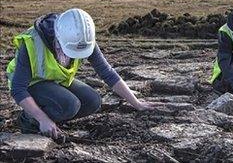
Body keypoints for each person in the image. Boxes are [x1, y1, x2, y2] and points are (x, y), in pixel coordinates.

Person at [6, 8, 159, 139]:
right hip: (31, 83)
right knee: (69, 104)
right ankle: (29, 120)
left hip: (56, 80)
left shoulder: (82, 39)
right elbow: (18, 89)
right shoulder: (33, 42)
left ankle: (53, 118)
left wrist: (136, 103)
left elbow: (107, 73)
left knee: (93, 101)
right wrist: (42, 118)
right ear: (57, 38)